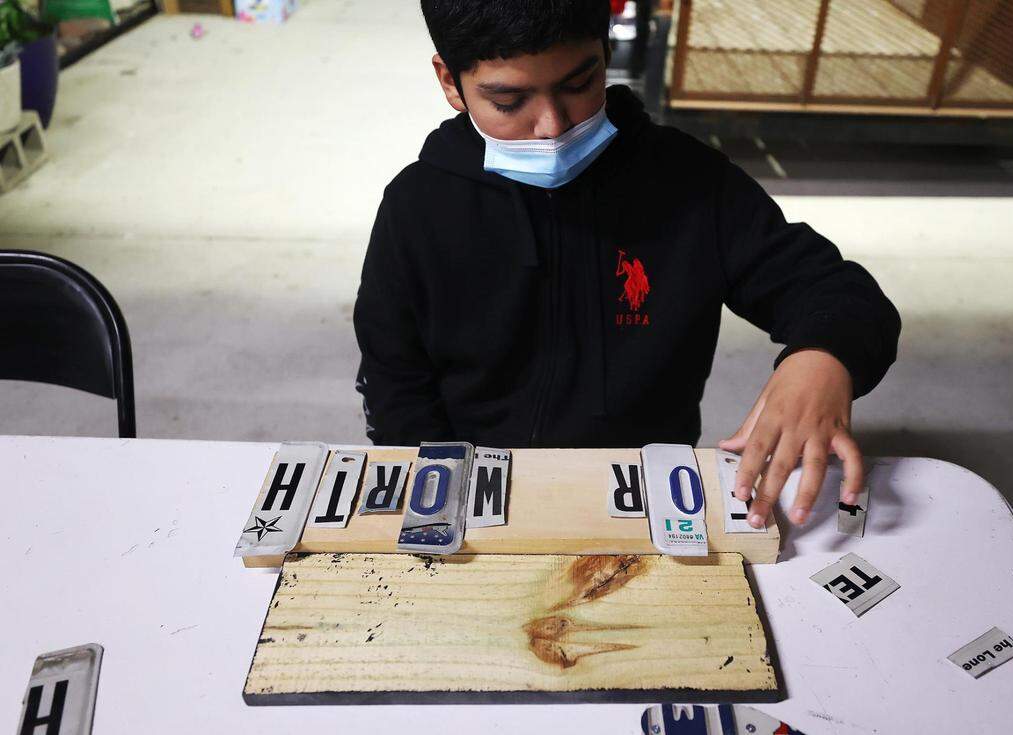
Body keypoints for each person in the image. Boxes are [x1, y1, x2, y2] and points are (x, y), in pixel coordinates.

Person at [353, 0, 901, 528]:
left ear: (605, 52)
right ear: (450, 81)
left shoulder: (691, 184)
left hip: (644, 487)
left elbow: (836, 292)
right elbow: (394, 374)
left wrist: (824, 357)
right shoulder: (418, 206)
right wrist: (436, 484)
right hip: (477, 489)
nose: (552, 125)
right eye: (509, 101)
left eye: (578, 84)